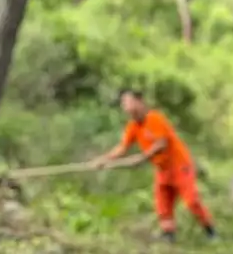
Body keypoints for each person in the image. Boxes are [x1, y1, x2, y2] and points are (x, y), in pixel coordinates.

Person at [92, 89, 216, 242]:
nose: (126, 107)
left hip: (180, 166)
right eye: (123, 103)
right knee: (163, 204)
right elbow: (122, 148)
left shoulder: (155, 119)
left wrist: (142, 158)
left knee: (192, 201)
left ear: (140, 101)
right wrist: (104, 160)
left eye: (129, 102)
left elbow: (161, 144)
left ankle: (210, 231)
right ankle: (169, 236)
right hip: (162, 169)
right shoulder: (133, 126)